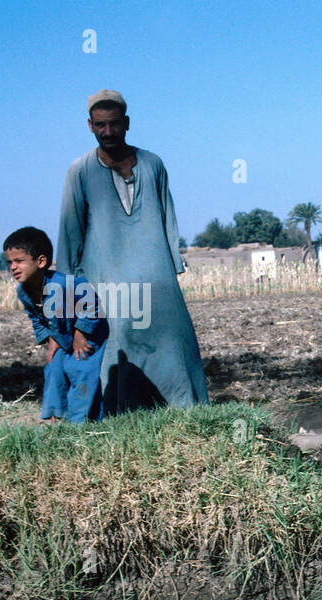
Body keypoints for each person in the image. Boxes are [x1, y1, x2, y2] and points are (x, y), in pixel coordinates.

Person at [58, 89, 208, 413]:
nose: (108, 132)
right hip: (108, 284)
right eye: (100, 125)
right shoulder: (79, 172)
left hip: (158, 281)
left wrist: (171, 270)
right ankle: (122, 420)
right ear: (90, 126)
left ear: (126, 123)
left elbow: (167, 219)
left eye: (114, 124)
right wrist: (72, 294)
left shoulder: (153, 164)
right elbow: (70, 236)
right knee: (119, 350)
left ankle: (186, 416)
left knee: (173, 346)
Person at [4, 226, 106, 424]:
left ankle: (81, 422)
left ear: (41, 261)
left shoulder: (65, 285)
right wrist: (51, 340)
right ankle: (55, 413)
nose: (13, 267)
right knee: (54, 370)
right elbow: (37, 318)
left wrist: (80, 334)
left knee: (81, 371)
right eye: (10, 263)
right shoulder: (23, 292)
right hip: (62, 334)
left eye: (19, 261)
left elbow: (93, 304)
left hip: (89, 332)